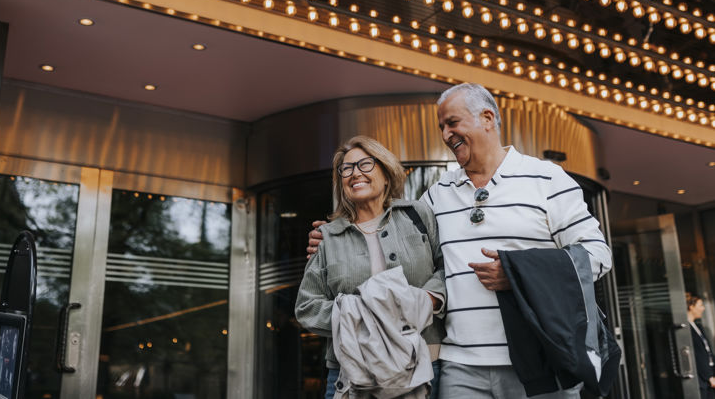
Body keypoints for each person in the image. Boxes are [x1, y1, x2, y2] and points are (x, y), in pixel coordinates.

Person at [308, 83, 612, 398]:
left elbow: (598, 255)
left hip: (540, 362)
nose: (445, 134)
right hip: (459, 367)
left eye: (452, 123)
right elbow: (391, 243)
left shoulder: (547, 179)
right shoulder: (436, 196)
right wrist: (333, 243)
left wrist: (520, 274)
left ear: (487, 118)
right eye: (441, 127)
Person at [296, 135, 446, 399]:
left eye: (365, 164)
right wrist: (360, 313)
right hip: (352, 373)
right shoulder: (328, 236)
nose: (355, 173)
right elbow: (307, 306)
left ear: (386, 173)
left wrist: (428, 300)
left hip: (424, 366)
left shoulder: (417, 215)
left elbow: (447, 268)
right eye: (347, 168)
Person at [687, 293, 715, 399]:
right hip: (703, 380)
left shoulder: (698, 327)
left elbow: (707, 352)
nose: (703, 309)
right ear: (691, 307)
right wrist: (709, 377)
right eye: (700, 305)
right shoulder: (686, 329)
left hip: (710, 376)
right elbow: (697, 355)